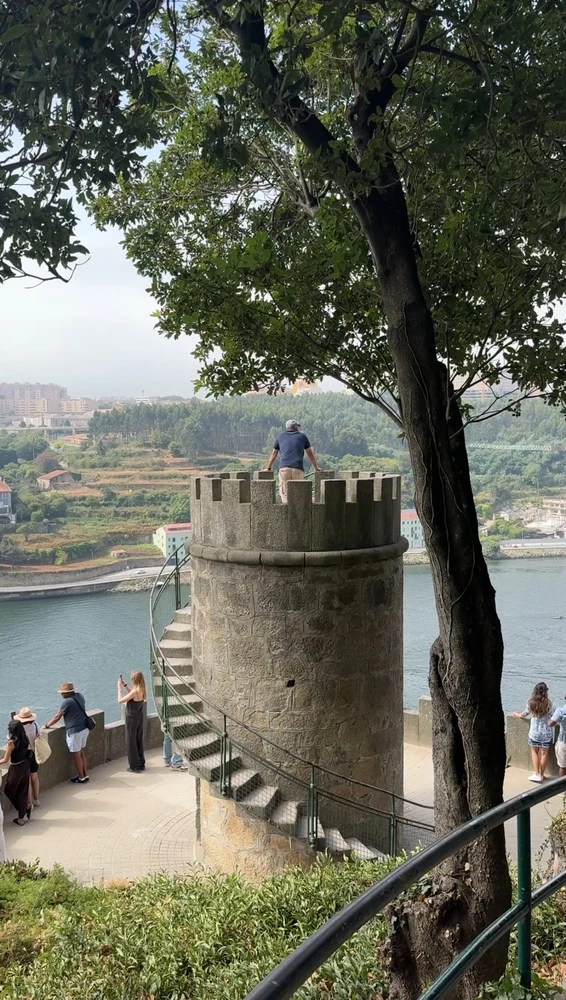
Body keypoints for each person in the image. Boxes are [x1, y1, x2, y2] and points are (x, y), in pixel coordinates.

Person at [264, 419, 320, 504]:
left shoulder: (280, 436)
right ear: (295, 427)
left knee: (285, 495)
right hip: (298, 469)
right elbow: (310, 454)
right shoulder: (302, 436)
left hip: (284, 469)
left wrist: (268, 468)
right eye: (297, 426)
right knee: (299, 496)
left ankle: (287, 515)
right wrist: (316, 468)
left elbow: (274, 453)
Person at [44, 682, 90, 784]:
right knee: (82, 753)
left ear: (66, 693)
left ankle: (81, 777)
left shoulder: (67, 702)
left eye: (62, 693)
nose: (61, 695)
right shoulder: (80, 696)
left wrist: (47, 725)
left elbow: (57, 717)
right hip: (84, 728)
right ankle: (85, 774)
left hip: (75, 731)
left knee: (76, 755)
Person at [513, 682, 555, 782]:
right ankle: (541, 774)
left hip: (534, 731)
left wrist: (517, 714)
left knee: (534, 751)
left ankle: (536, 774)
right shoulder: (550, 703)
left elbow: (524, 714)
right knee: (544, 753)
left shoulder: (530, 702)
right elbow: (554, 716)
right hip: (546, 732)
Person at [0, 721, 32, 825]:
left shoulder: (11, 743)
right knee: (23, 790)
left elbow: (5, 760)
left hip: (16, 768)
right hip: (26, 765)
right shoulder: (25, 738)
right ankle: (21, 817)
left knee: (8, 790)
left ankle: (22, 809)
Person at [117, 671, 147, 773]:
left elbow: (120, 700)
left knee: (131, 741)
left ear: (134, 680)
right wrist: (125, 685)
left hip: (131, 719)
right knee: (138, 740)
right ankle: (141, 763)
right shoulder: (142, 689)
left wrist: (119, 688)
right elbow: (132, 694)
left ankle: (134, 766)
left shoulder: (135, 691)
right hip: (139, 718)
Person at [14, 706, 40, 807]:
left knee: (27, 780)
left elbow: (11, 739)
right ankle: (36, 799)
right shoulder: (36, 725)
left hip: (23, 755)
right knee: (34, 777)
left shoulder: (18, 729)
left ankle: (29, 804)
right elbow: (39, 736)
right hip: (34, 753)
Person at [549, 695, 566, 777]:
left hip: (563, 741)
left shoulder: (561, 711)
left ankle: (561, 788)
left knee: (563, 767)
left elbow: (551, 723)